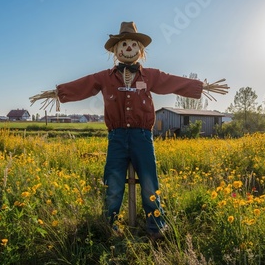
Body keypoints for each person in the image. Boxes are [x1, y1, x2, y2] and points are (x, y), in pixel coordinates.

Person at [30, 21, 228, 240]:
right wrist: (59, 93)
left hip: (142, 136)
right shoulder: (104, 77)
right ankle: (110, 227)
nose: (128, 48)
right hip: (116, 137)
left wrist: (200, 87)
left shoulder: (150, 75)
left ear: (140, 51)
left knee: (150, 182)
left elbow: (172, 81)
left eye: (133, 45)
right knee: (113, 182)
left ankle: (156, 227)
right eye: (123, 45)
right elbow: (84, 84)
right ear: (115, 50)